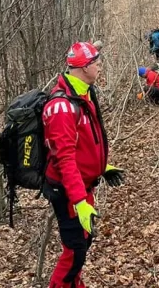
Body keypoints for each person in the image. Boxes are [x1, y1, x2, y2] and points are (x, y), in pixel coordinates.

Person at [42, 41, 125, 288]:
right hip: (68, 192)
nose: (100, 66)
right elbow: (64, 159)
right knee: (74, 250)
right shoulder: (61, 107)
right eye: (95, 63)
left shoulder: (83, 92)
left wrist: (103, 167)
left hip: (83, 187)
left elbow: (87, 142)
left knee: (83, 244)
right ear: (82, 67)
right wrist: (79, 202)